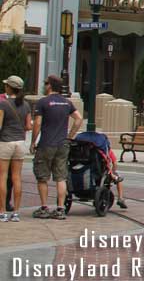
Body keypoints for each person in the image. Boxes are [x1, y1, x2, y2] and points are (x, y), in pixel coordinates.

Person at [31, 75, 82, 220]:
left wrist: (33, 142)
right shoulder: (67, 103)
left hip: (46, 144)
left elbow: (38, 123)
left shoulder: (43, 102)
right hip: (62, 144)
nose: (44, 85)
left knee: (43, 177)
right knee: (61, 177)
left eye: (46, 83)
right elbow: (78, 119)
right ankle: (60, 208)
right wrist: (70, 136)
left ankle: (44, 208)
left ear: (50, 86)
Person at [0, 76, 32, 222]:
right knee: (16, 177)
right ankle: (16, 213)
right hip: (20, 142)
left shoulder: (3, 104)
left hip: (6, 141)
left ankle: (2, 212)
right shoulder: (25, 105)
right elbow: (28, 126)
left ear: (9, 88)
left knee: (3, 176)